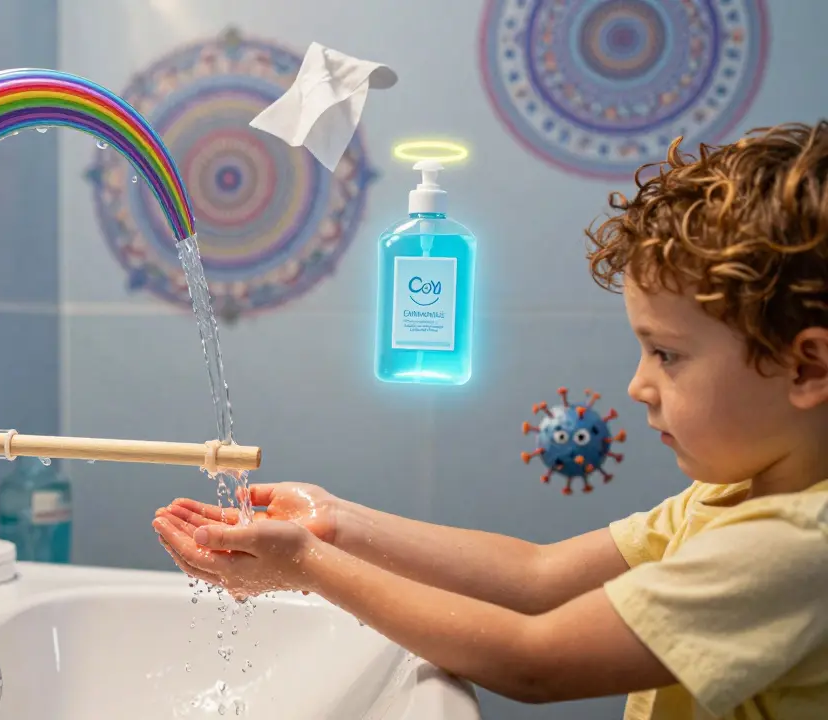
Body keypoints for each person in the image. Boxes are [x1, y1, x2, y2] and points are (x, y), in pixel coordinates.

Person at [153, 122, 828, 720]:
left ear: (807, 369)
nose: (638, 385)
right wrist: (334, 522)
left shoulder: (797, 549)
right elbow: (536, 577)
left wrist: (307, 564)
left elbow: (534, 660)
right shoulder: (729, 497)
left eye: (667, 354)